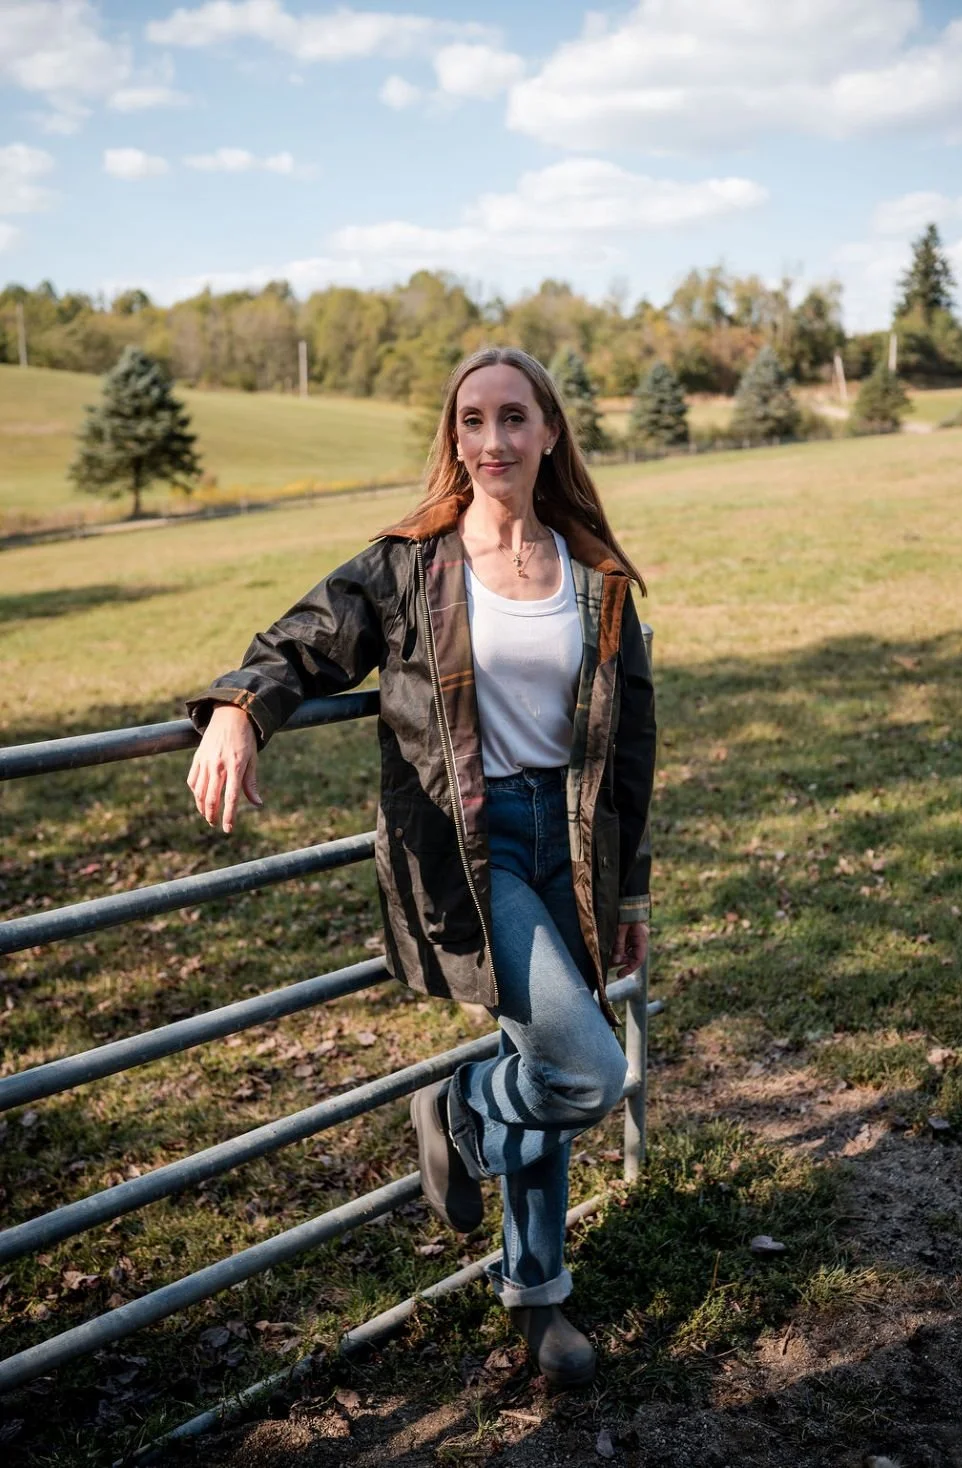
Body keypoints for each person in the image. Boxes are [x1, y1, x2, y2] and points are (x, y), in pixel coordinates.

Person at [186, 345, 656, 1388]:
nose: (491, 439)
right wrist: (238, 706)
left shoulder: (595, 574)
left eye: (513, 418)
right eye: (472, 420)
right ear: (454, 438)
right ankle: (459, 1112)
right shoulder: (408, 563)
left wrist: (629, 890)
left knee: (542, 1056)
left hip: (571, 845)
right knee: (583, 1069)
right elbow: (303, 642)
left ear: (547, 434)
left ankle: (537, 1293)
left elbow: (630, 744)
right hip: (465, 844)